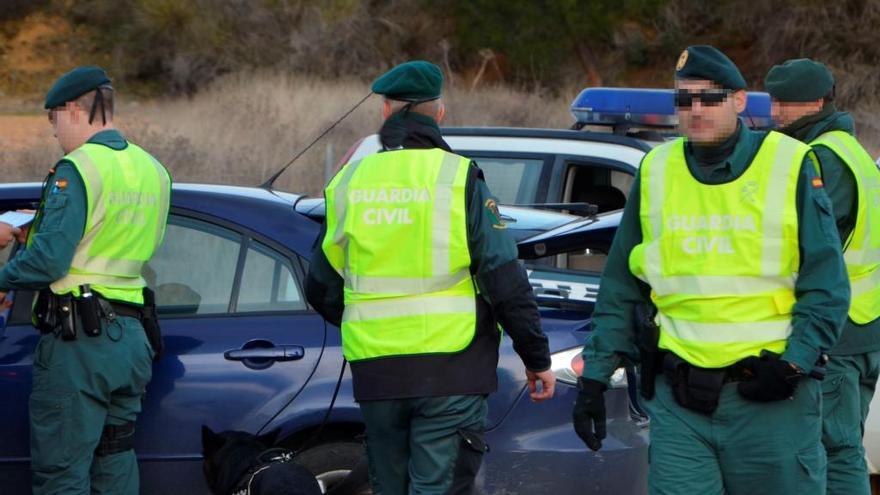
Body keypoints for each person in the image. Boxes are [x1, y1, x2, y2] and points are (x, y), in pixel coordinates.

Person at [571, 45, 849, 494]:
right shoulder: (656, 169)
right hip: (681, 403)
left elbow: (826, 282)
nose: (695, 110)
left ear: (740, 100)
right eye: (684, 99)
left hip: (770, 399)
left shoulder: (789, 163)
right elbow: (622, 283)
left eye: (710, 97)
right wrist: (596, 377)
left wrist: (795, 363)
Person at [305, 60, 555, 494]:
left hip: (378, 373)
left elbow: (320, 286)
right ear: (439, 113)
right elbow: (503, 277)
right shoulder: (458, 178)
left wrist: (364, 324)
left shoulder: (350, 181)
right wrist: (536, 357)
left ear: (385, 111)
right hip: (450, 372)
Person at [0, 65, 171, 494]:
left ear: (74, 110)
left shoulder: (76, 168)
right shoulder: (153, 170)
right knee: (115, 462)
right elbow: (107, 237)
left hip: (81, 343)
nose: (54, 132)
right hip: (133, 339)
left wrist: (4, 276)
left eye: (53, 119)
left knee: (62, 473)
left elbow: (48, 263)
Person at [766, 58, 880, 495]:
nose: (775, 114)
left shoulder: (822, 158)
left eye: (785, 105)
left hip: (837, 331)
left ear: (816, 102)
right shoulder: (851, 151)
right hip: (862, 325)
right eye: (774, 102)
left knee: (836, 449)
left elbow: (799, 246)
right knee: (842, 444)